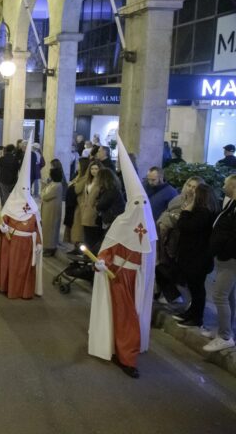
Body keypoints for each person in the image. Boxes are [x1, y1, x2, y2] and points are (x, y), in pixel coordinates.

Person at [89, 135, 157, 379]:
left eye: (142, 203)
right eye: (135, 203)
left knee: (129, 317)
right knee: (123, 317)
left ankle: (125, 351)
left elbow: (149, 259)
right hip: (116, 277)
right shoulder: (122, 222)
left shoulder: (148, 228)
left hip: (135, 279)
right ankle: (126, 357)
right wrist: (101, 262)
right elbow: (109, 249)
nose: (139, 207)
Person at [0, 134, 43, 299]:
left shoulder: (32, 207)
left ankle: (25, 292)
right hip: (13, 245)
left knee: (24, 271)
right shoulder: (10, 205)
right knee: (13, 268)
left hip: (27, 247)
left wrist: (38, 243)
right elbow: (2, 222)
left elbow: (37, 228)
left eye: (26, 191)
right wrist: (2, 227)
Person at [173, 183, 218, 329]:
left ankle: (196, 318)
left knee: (197, 289)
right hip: (195, 256)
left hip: (197, 257)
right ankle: (191, 312)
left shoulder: (203, 212)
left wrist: (186, 210)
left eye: (195, 192)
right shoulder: (206, 211)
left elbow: (184, 226)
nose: (192, 193)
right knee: (194, 288)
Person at [155, 177, 202, 304]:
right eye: (189, 185)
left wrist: (170, 217)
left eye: (195, 187)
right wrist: (168, 217)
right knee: (161, 266)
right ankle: (168, 294)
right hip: (165, 238)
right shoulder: (177, 199)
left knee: (172, 270)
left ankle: (176, 297)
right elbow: (167, 214)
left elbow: (181, 221)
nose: (191, 189)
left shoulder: (199, 204)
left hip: (181, 243)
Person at [203, 174, 236, 352]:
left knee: (219, 295)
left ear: (233, 186)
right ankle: (224, 329)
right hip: (225, 257)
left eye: (226, 184)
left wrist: (223, 251)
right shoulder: (231, 202)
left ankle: (225, 336)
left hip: (230, 258)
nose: (223, 186)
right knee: (228, 296)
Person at [41, 163, 65, 257]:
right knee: (47, 228)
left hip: (52, 210)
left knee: (50, 229)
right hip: (48, 209)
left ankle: (50, 247)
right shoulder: (52, 184)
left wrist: (43, 190)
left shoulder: (57, 186)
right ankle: (46, 246)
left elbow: (45, 196)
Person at [65, 158, 89, 250]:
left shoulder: (84, 178)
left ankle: (78, 248)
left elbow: (77, 189)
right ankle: (75, 246)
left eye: (78, 164)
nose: (77, 166)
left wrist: (72, 185)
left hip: (79, 205)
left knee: (77, 229)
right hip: (73, 205)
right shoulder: (77, 176)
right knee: (73, 226)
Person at [80, 161, 103, 253]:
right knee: (87, 236)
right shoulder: (88, 181)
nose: (94, 171)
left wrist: (95, 207)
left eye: (96, 169)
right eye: (92, 169)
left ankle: (92, 256)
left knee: (93, 236)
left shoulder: (101, 182)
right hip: (86, 211)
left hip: (94, 212)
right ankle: (87, 254)